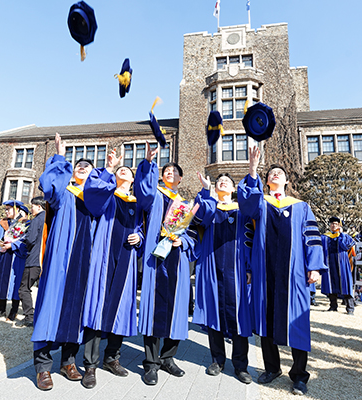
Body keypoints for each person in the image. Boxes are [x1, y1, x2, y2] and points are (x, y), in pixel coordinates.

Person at [238, 147, 324, 396]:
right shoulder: (260, 204)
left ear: (287, 181)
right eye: (271, 173)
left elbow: (312, 238)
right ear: (266, 181)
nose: (275, 174)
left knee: (297, 322)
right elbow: (246, 206)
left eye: (280, 173)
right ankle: (272, 368)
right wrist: (252, 170)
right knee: (266, 321)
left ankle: (299, 375)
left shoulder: (301, 207)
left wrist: (315, 267)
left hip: (294, 273)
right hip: (265, 273)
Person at [31, 133, 99, 391]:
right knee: (50, 305)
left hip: (83, 260)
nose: (82, 166)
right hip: (60, 257)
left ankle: (68, 361)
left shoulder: (94, 198)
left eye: (88, 166)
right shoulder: (64, 193)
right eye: (78, 164)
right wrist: (60, 156)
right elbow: (49, 187)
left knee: (75, 308)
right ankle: (43, 367)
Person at [76, 160, 142, 389]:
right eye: (121, 169)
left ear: (133, 180)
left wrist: (139, 237)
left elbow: (141, 227)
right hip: (103, 255)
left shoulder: (136, 203)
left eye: (128, 171)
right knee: (98, 305)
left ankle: (111, 357)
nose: (125, 170)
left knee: (120, 307)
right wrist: (110, 170)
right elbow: (93, 195)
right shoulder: (107, 194)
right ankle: (90, 365)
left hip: (126, 256)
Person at [135, 144, 197, 386]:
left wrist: (182, 240)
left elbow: (193, 235)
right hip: (156, 259)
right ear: (161, 176)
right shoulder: (155, 196)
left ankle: (168, 358)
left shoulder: (185, 205)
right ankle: (150, 364)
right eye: (166, 171)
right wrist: (149, 163)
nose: (170, 173)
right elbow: (143, 191)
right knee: (153, 309)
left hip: (177, 261)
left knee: (177, 309)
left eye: (174, 172)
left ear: (180, 178)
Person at [193, 172, 253, 384]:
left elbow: (249, 239)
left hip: (236, 269)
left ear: (234, 187)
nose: (223, 182)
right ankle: (217, 360)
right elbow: (199, 218)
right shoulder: (210, 206)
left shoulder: (242, 211)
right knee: (214, 314)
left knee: (239, 316)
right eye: (219, 181)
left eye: (227, 181)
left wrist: (248, 268)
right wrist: (206, 192)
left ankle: (241, 365)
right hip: (212, 266)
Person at [16, 197, 46, 327]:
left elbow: (31, 240)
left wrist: (23, 244)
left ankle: (29, 316)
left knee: (24, 289)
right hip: (46, 259)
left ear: (39, 207)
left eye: (32, 206)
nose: (31, 209)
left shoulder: (37, 220)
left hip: (34, 259)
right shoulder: (50, 219)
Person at [320, 216, 356, 315]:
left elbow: (345, 246)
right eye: (331, 224)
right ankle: (333, 306)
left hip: (342, 264)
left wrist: (341, 234)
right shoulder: (324, 237)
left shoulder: (345, 236)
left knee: (345, 284)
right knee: (331, 284)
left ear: (339, 225)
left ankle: (350, 308)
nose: (333, 225)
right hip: (329, 263)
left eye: (335, 224)